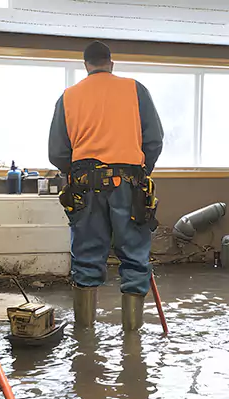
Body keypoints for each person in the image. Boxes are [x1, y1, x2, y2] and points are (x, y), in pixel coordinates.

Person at [49, 40, 164, 331]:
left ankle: (85, 340)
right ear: (111, 63)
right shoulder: (135, 90)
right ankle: (132, 340)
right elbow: (154, 141)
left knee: (86, 259)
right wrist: (139, 172)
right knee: (135, 259)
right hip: (129, 186)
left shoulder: (68, 97)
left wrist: (77, 172)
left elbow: (57, 153)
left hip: (85, 189)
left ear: (86, 66)